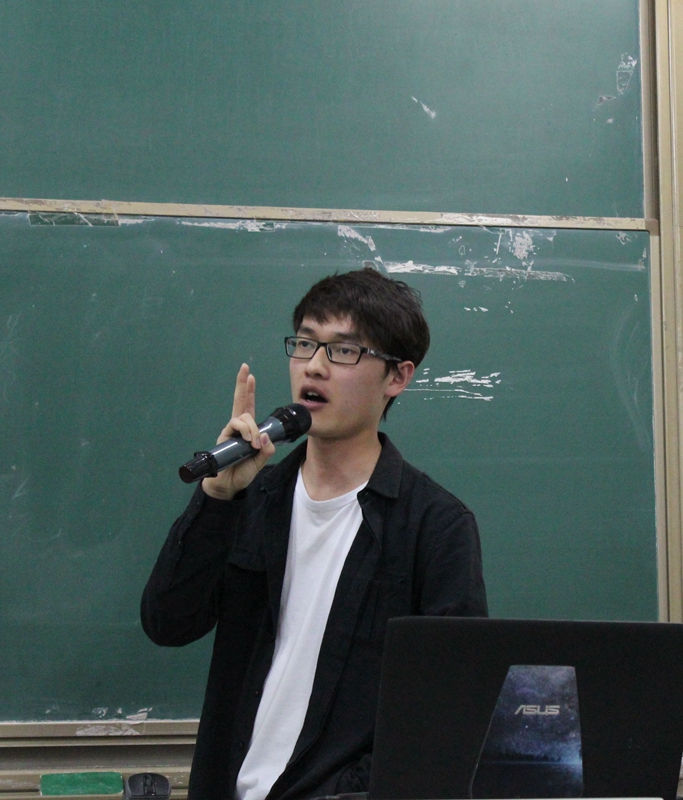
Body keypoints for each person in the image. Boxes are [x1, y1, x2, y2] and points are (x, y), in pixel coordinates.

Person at [142, 268, 488, 800]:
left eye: (344, 351)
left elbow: (447, 713)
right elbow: (168, 622)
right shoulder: (255, 497)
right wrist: (217, 498)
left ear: (397, 377)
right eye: (305, 344)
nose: (315, 366)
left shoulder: (435, 526)